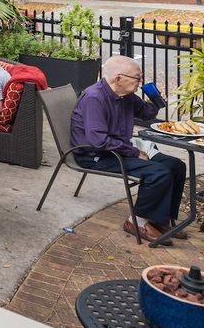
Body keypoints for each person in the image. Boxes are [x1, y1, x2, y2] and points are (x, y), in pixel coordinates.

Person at [71, 55, 184, 243]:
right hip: (96, 155)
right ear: (118, 78)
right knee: (159, 173)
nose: (140, 82)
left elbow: (146, 114)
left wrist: (156, 100)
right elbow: (98, 140)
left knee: (176, 166)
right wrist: (134, 152)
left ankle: (159, 220)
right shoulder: (95, 98)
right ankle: (136, 222)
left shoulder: (126, 96)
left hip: (119, 147)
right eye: (137, 78)